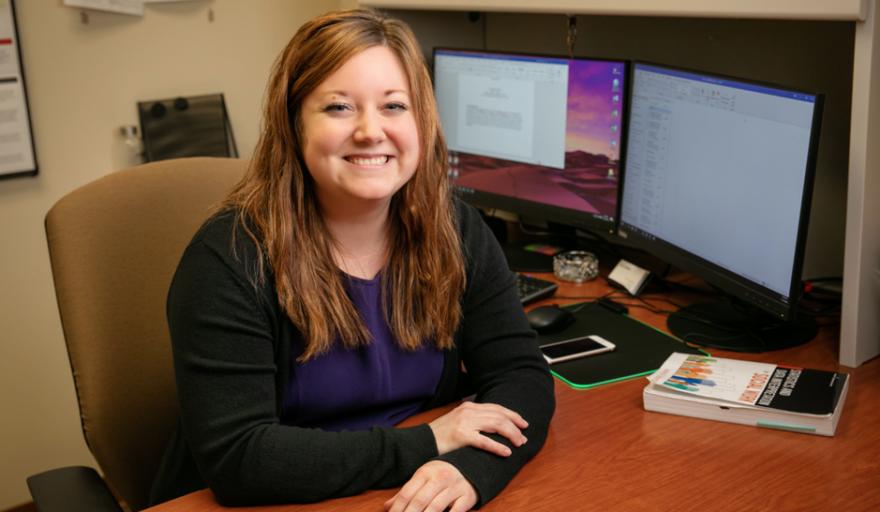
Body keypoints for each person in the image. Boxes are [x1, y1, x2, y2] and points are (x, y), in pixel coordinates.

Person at [149, 8, 555, 512]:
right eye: (339, 107)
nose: (370, 131)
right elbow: (241, 460)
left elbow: (523, 377)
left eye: (393, 106)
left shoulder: (454, 227)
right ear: (294, 123)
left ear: (421, 121)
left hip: (406, 490)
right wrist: (428, 443)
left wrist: (470, 470)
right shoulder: (229, 259)